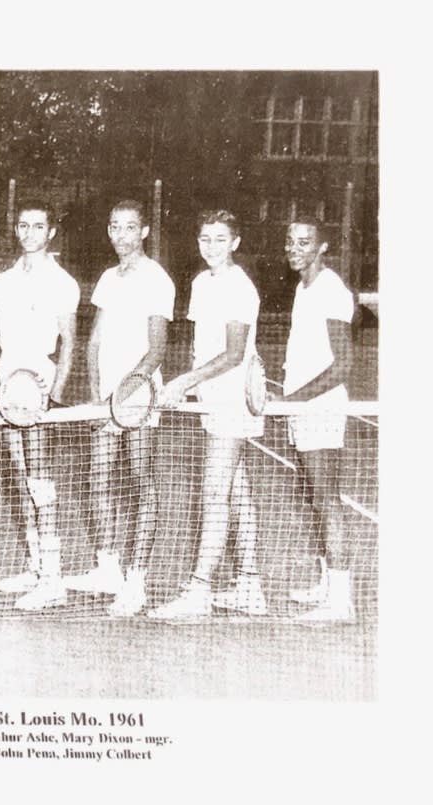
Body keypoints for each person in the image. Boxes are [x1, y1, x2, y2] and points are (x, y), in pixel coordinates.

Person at [148, 210, 266, 619]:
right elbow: (205, 345)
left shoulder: (241, 288)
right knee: (236, 491)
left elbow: (234, 353)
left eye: (220, 239)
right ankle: (251, 585)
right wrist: (190, 388)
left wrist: (184, 381)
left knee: (215, 493)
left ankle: (199, 589)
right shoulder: (201, 283)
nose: (211, 246)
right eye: (205, 238)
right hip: (213, 398)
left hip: (234, 398)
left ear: (236, 242)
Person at [65, 200, 174, 616]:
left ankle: (137, 581)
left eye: (130, 227)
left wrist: (125, 394)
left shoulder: (157, 280)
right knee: (98, 479)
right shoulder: (109, 278)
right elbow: (95, 340)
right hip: (106, 398)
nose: (121, 235)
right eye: (115, 227)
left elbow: (157, 349)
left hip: (138, 398)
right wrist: (98, 392)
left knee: (141, 483)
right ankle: (108, 568)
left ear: (143, 232)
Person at [0, 199, 78, 610]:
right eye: (23, 225)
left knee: (39, 482)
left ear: (51, 232)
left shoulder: (62, 282)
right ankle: (37, 566)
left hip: (37, 386)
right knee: (20, 478)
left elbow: (69, 342)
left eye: (38, 226)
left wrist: (53, 394)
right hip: (5, 388)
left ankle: (53, 579)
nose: (30, 233)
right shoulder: (4, 280)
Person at [274, 216, 355, 621]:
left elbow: (343, 366)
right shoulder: (304, 288)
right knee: (314, 497)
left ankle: (341, 602)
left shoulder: (331, 290)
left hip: (321, 407)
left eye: (304, 242)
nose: (294, 248)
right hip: (303, 405)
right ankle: (326, 585)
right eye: (290, 241)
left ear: (322, 247)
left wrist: (295, 400)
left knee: (327, 499)